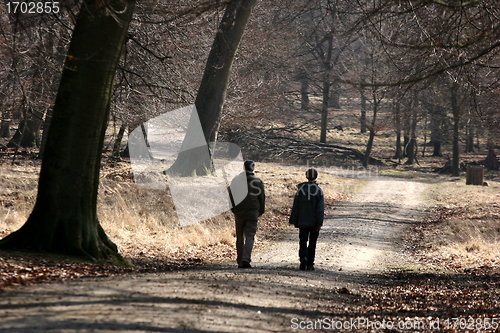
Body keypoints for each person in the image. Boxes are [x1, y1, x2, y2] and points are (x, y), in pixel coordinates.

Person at [230, 160, 265, 268]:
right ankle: (246, 259)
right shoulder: (258, 181)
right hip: (252, 212)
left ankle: (240, 260)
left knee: (239, 237)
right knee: (250, 236)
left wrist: (233, 209)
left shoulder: (235, 180)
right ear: (253, 168)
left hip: (239, 212)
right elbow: (262, 198)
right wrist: (261, 210)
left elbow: (231, 196)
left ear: (244, 167)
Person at [289, 168, 324, 271]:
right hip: (314, 222)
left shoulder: (300, 190)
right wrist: (319, 223)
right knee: (312, 242)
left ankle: (303, 257)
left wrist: (295, 220)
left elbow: (296, 206)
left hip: (303, 220)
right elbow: (320, 209)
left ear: (306, 176)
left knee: (303, 240)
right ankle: (310, 263)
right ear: (316, 177)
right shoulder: (318, 191)